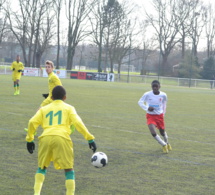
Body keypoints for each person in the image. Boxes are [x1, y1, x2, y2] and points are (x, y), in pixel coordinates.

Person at [25, 85, 97, 195]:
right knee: (69, 169)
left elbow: (31, 122)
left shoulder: (44, 109)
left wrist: (30, 139)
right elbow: (78, 123)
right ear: (65, 97)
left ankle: (36, 193)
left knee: (42, 167)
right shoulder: (69, 108)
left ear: (52, 98)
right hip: (62, 138)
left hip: (45, 137)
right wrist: (90, 138)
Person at [138, 80, 172, 153]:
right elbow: (140, 102)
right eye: (153, 86)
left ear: (159, 86)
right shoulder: (147, 94)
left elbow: (164, 104)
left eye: (156, 86)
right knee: (152, 130)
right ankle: (163, 144)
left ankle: (167, 143)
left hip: (159, 116)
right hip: (150, 116)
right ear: (151, 87)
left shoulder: (163, 95)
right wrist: (147, 108)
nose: (155, 88)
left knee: (162, 132)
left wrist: (163, 113)